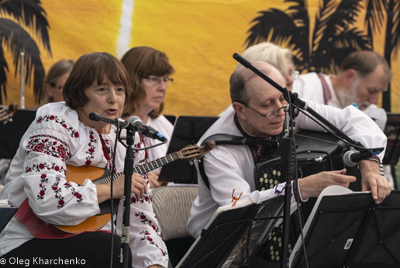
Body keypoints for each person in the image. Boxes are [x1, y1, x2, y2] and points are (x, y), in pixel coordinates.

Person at [187, 60, 391, 265]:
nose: (280, 111)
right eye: (266, 105)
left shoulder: (286, 108)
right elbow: (239, 211)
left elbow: (353, 119)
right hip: (221, 246)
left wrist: (370, 165)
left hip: (279, 234)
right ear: (240, 109)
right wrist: (301, 188)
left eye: (282, 98)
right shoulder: (217, 149)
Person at [0, 52, 167, 268]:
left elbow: (140, 219)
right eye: (101, 89)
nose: (113, 99)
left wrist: (153, 263)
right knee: (111, 250)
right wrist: (110, 189)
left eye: (119, 89)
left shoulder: (126, 140)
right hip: (23, 248)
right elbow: (47, 199)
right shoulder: (52, 124)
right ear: (79, 94)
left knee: (122, 251)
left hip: (93, 241)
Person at [293, 50, 394, 187]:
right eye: (371, 91)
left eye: (379, 93)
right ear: (349, 77)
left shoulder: (371, 110)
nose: (374, 99)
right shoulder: (303, 88)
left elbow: (379, 166)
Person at [121, 46, 175, 188]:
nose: (162, 87)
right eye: (154, 79)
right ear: (132, 80)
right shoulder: (108, 125)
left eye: (166, 79)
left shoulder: (164, 125)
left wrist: (165, 180)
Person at [220, 42, 298, 117]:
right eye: (280, 74)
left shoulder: (294, 110)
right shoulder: (224, 127)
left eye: (290, 73)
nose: (290, 81)